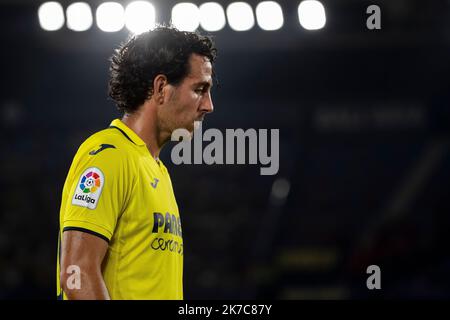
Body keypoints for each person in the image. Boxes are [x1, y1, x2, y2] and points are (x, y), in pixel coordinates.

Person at [56, 26, 216, 300]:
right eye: (199, 89)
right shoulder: (110, 154)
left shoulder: (156, 170)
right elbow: (76, 273)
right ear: (161, 88)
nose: (208, 105)